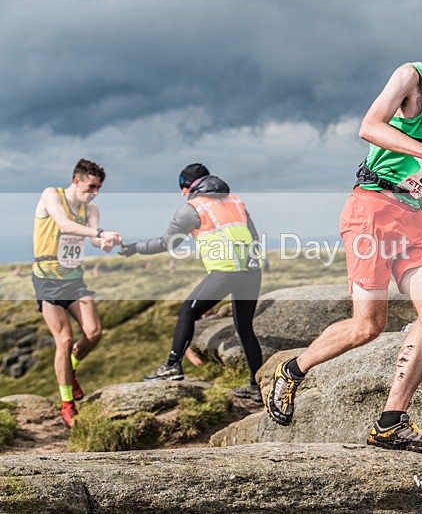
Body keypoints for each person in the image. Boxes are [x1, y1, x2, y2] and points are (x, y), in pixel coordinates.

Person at [266, 9, 422, 455]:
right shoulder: (409, 76)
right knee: (368, 326)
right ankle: (294, 369)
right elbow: (370, 126)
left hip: (414, 214)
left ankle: (391, 422)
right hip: (371, 208)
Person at [119, 163, 265, 402]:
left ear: (189, 186)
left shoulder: (192, 207)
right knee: (245, 328)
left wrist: (135, 248)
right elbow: (254, 237)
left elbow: (168, 242)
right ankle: (255, 386)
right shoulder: (235, 202)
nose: (181, 193)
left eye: (182, 187)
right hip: (251, 272)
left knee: (187, 311)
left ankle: (172, 366)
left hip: (225, 272)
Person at [32, 158, 123, 428]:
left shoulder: (91, 209)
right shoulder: (52, 195)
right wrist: (100, 232)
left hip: (74, 279)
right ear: (77, 181)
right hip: (48, 279)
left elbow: (94, 240)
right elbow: (65, 225)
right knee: (64, 339)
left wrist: (106, 243)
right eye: (91, 186)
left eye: (98, 188)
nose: (94, 192)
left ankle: (69, 369)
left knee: (94, 333)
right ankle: (67, 404)